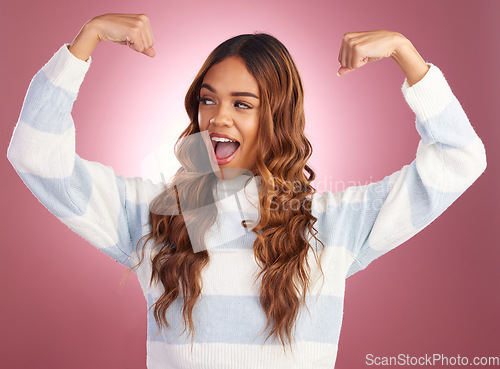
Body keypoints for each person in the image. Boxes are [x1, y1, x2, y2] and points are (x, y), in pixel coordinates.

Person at [7, 12, 486, 369]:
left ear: (276, 117)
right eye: (208, 99)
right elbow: (35, 156)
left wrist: (407, 55)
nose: (217, 117)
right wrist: (85, 41)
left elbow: (459, 158)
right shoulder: (154, 217)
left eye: (242, 103)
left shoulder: (332, 223)